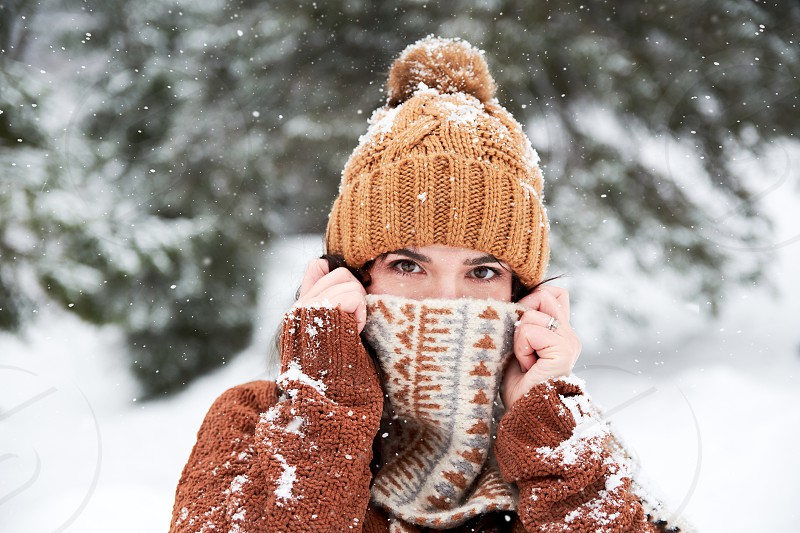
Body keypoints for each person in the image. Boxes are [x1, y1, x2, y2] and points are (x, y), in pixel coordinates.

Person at [169, 37, 693, 532]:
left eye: (483, 272)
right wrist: (327, 403)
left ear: (521, 298)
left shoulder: (565, 447)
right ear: (349, 279)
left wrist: (546, 421)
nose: (447, 301)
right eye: (407, 265)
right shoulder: (254, 426)